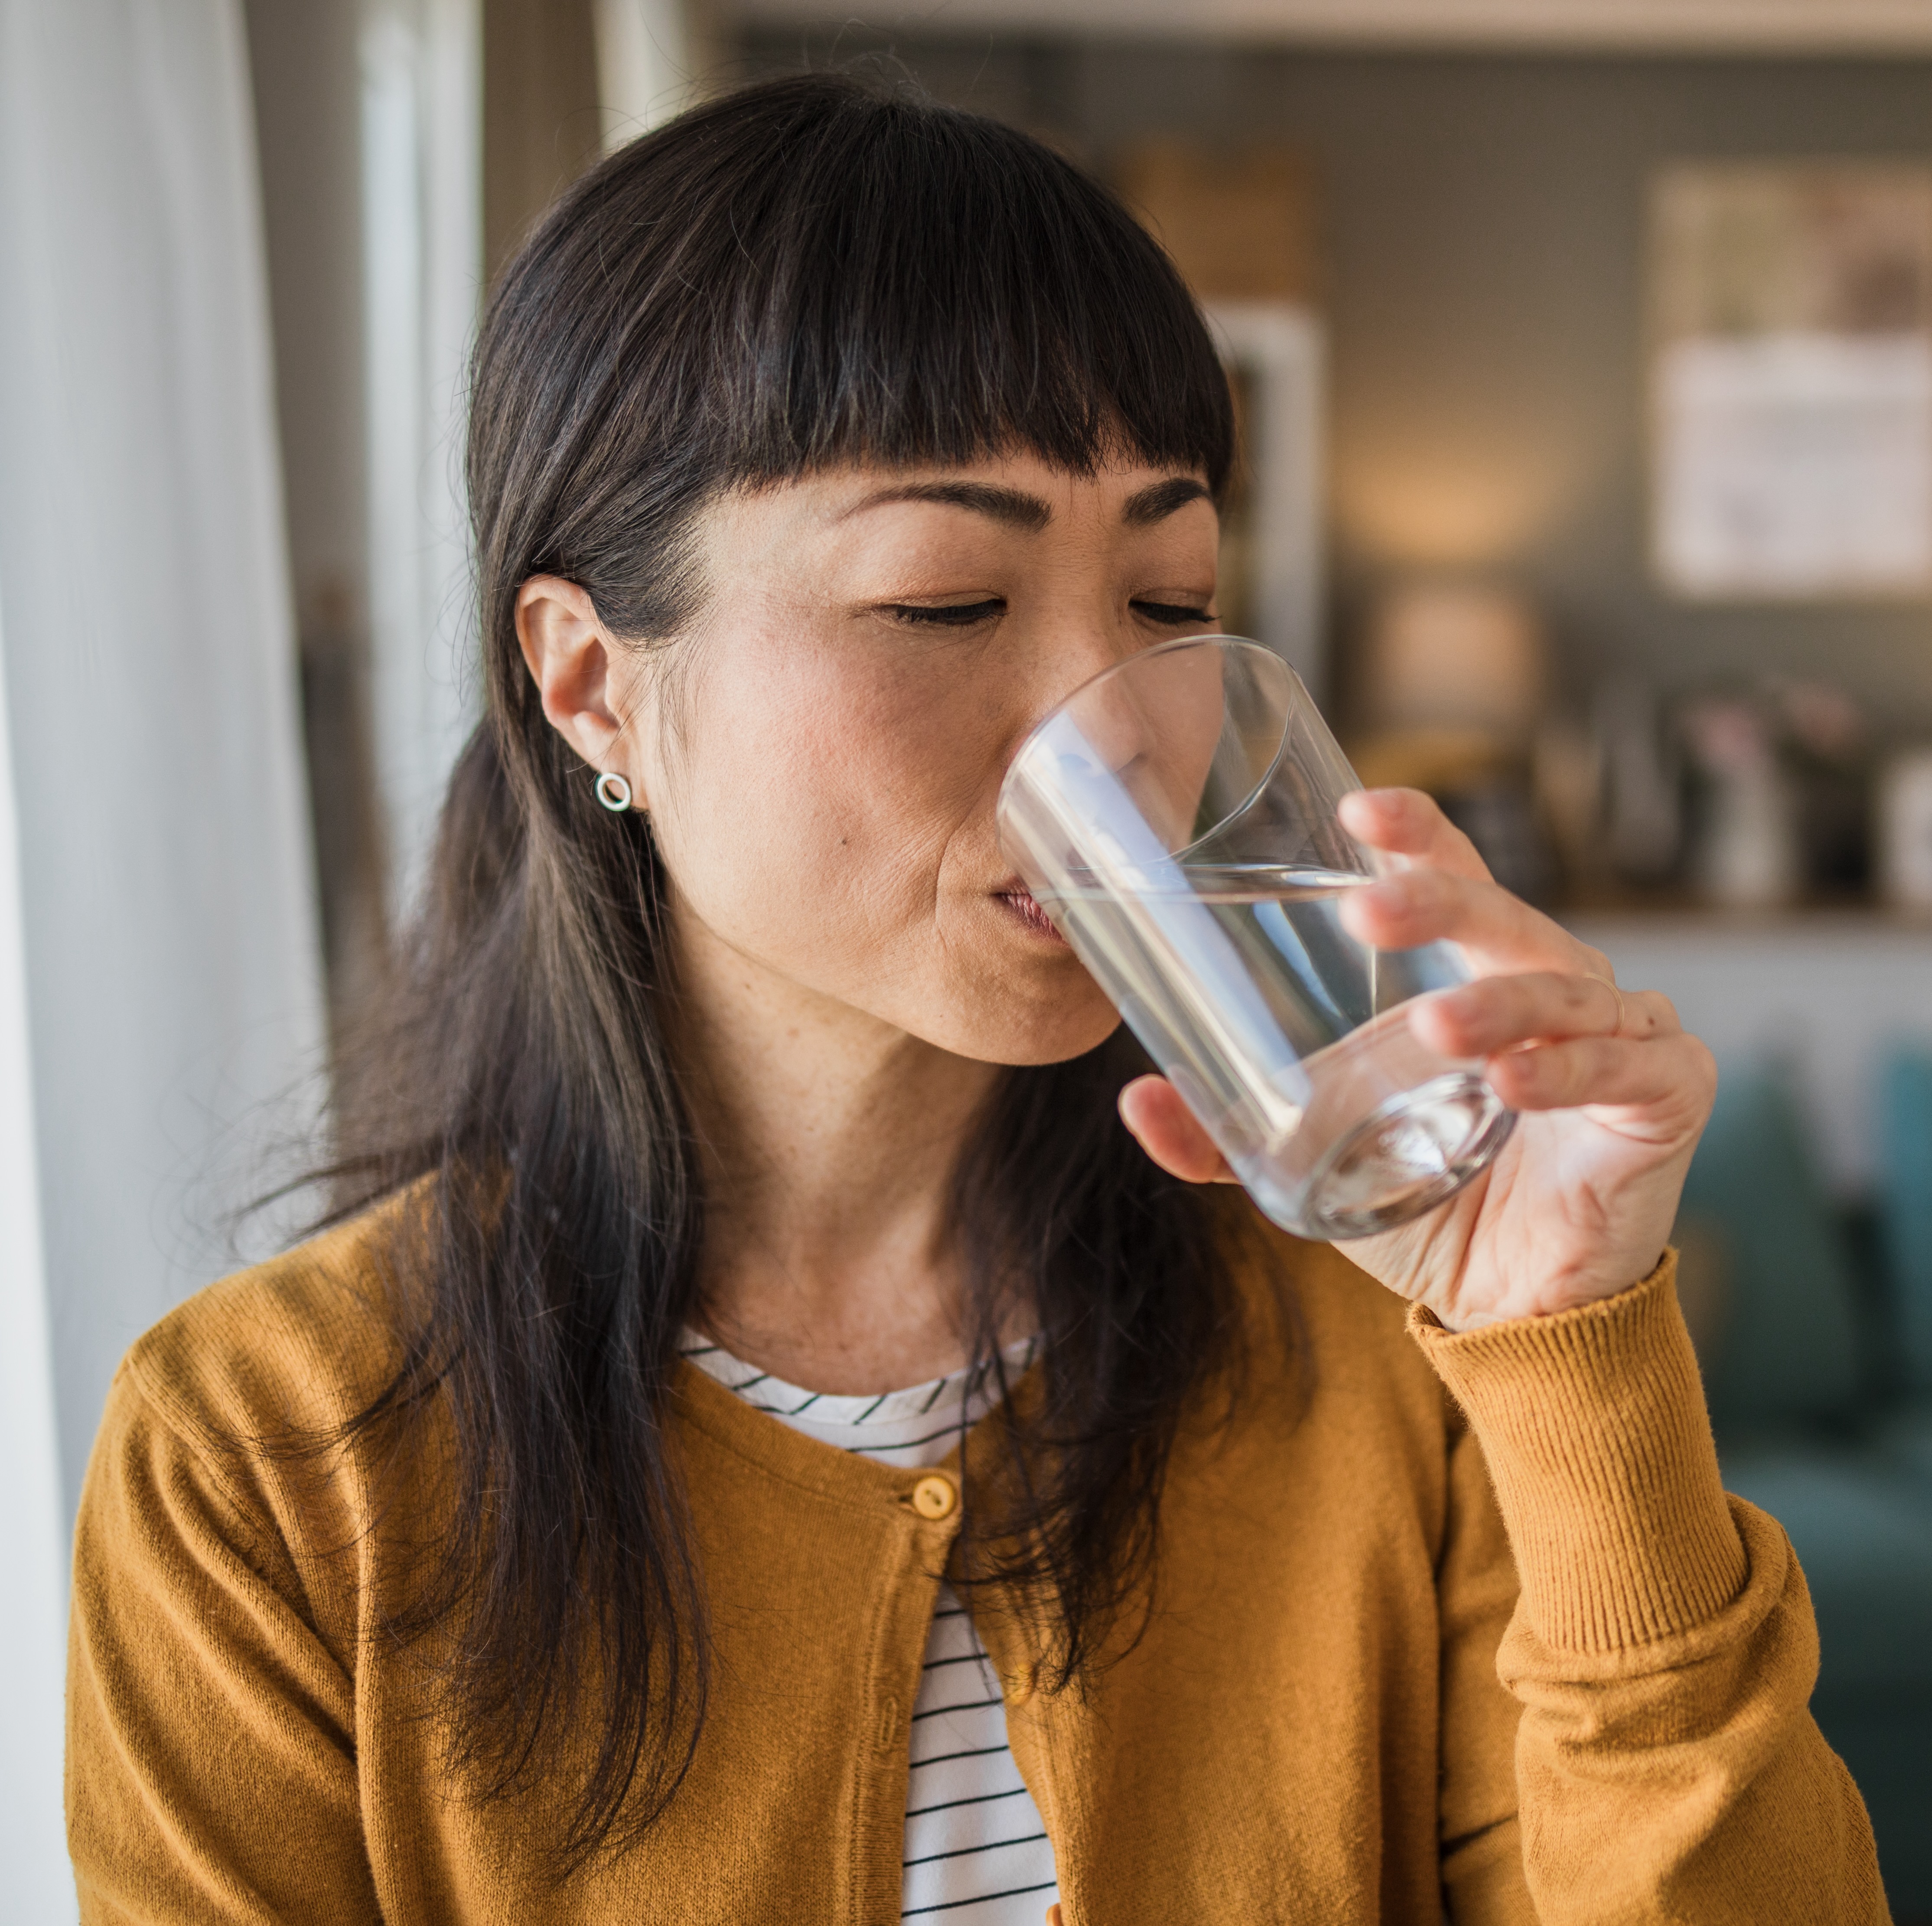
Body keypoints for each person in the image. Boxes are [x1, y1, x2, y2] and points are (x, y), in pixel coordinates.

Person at [66, 72, 1886, 1925]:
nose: (1107, 729)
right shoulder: (274, 1461)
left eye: (1170, 600)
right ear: (594, 683)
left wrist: (1572, 1347)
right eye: (943, 599)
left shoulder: (1372, 1349)